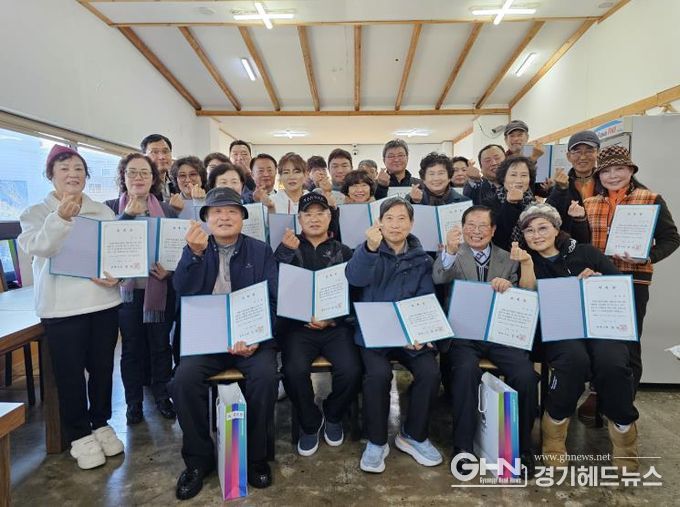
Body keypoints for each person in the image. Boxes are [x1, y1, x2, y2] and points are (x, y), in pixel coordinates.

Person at [18, 145, 123, 469]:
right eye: (63, 168)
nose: (72, 174)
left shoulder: (101, 211)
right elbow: (40, 247)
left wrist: (117, 275)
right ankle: (79, 433)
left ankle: (101, 422)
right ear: (50, 175)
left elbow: (115, 250)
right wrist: (61, 217)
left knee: (103, 368)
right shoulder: (36, 213)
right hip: (62, 308)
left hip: (103, 302)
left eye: (78, 168)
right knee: (70, 374)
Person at [170, 187, 279, 500]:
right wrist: (193, 255)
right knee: (183, 380)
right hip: (207, 339)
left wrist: (257, 336)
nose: (225, 217)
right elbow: (183, 291)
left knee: (266, 376)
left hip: (251, 338)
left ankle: (255, 457)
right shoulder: (196, 246)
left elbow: (273, 300)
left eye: (232, 211)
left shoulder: (260, 251)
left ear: (243, 218)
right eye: (217, 212)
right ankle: (198, 460)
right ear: (206, 218)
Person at [516, 203, 640, 472]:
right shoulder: (526, 261)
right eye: (529, 231)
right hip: (559, 330)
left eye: (542, 228)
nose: (536, 235)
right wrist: (527, 267)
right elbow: (526, 300)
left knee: (613, 364)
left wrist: (597, 280)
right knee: (573, 361)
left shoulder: (586, 252)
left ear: (556, 229)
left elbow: (619, 287)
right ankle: (554, 430)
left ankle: (624, 433)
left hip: (600, 326)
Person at [431, 205, 537, 476]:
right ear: (462, 227)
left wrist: (509, 287)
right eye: (470, 225)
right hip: (464, 334)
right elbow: (439, 278)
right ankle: (463, 447)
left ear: (493, 230)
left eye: (482, 226)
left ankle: (521, 448)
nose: (476, 231)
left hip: (499, 333)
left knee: (525, 376)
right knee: (466, 371)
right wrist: (449, 253)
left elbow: (524, 295)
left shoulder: (507, 257)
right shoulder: (452, 252)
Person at [345, 197, 443, 473]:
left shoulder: (422, 259)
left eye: (402, 219)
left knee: (429, 372)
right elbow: (355, 279)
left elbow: (426, 297)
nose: (395, 225)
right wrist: (369, 249)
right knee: (377, 375)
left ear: (411, 223)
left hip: (410, 333)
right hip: (374, 331)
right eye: (389, 218)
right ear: (379, 222)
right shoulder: (366, 250)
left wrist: (421, 332)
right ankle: (376, 441)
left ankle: (413, 435)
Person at [583, 146, 679, 390]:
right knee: (598, 339)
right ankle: (599, 395)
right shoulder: (589, 203)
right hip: (597, 280)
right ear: (599, 175)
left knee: (629, 342)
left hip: (633, 280)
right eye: (606, 171)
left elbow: (671, 238)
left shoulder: (650, 199)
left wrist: (647, 257)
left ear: (631, 170)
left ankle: (625, 401)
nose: (613, 175)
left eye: (619, 169)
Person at [275, 193, 361, 456]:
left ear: (329, 217)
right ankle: (310, 421)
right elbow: (274, 287)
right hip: (298, 328)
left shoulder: (344, 251)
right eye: (308, 214)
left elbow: (354, 293)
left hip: (335, 326)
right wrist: (283, 252)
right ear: (299, 219)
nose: (314, 219)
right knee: (293, 370)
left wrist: (332, 319)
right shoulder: (288, 247)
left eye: (320, 213)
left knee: (352, 369)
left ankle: (333, 414)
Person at [104, 153, 178, 424]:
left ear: (153, 178)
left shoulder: (167, 210)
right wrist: (127, 216)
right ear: (123, 177)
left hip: (160, 289)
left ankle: (162, 396)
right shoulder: (111, 208)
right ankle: (133, 403)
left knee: (161, 346)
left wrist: (170, 271)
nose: (138, 177)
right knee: (131, 348)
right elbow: (106, 245)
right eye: (132, 172)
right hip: (127, 293)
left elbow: (177, 250)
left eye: (144, 173)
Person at [547, 130, 600, 237]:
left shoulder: (607, 183)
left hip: (602, 241)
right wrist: (560, 189)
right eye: (577, 152)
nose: (583, 157)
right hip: (572, 243)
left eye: (589, 151)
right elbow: (549, 215)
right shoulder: (563, 184)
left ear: (598, 153)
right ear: (568, 156)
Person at [503, 120, 550, 197]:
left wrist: (547, 188)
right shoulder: (501, 160)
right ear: (505, 139)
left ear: (527, 137)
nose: (516, 139)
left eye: (520, 135)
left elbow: (538, 190)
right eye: (512, 136)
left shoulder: (539, 157)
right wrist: (533, 158)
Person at [141, 134, 176, 201]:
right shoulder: (139, 184)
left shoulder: (176, 183)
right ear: (144, 157)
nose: (162, 157)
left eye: (165, 151)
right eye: (155, 152)